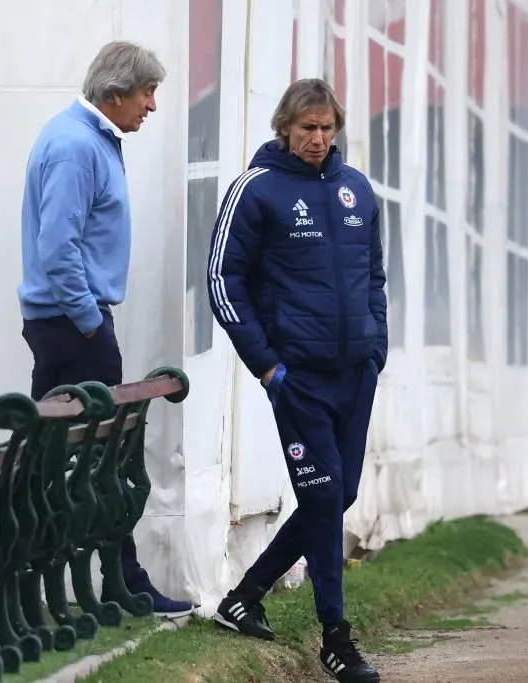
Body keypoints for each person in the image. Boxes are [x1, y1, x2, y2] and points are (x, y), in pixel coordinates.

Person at [206, 78, 386, 683]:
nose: (317, 138)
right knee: (324, 496)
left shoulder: (357, 190)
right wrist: (267, 365)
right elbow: (222, 282)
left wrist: (376, 347)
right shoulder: (256, 191)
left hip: (355, 372)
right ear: (285, 126)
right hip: (298, 377)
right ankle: (337, 640)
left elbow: (375, 277)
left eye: (326, 128)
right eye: (307, 127)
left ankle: (244, 596)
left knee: (338, 496)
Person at [17, 40, 193, 618]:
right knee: (102, 462)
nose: (152, 105)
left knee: (82, 459)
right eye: (147, 93)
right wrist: (94, 326)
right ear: (115, 94)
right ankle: (122, 580)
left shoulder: (91, 138)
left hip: (70, 321)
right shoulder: (75, 146)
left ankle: (106, 579)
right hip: (73, 323)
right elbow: (58, 250)